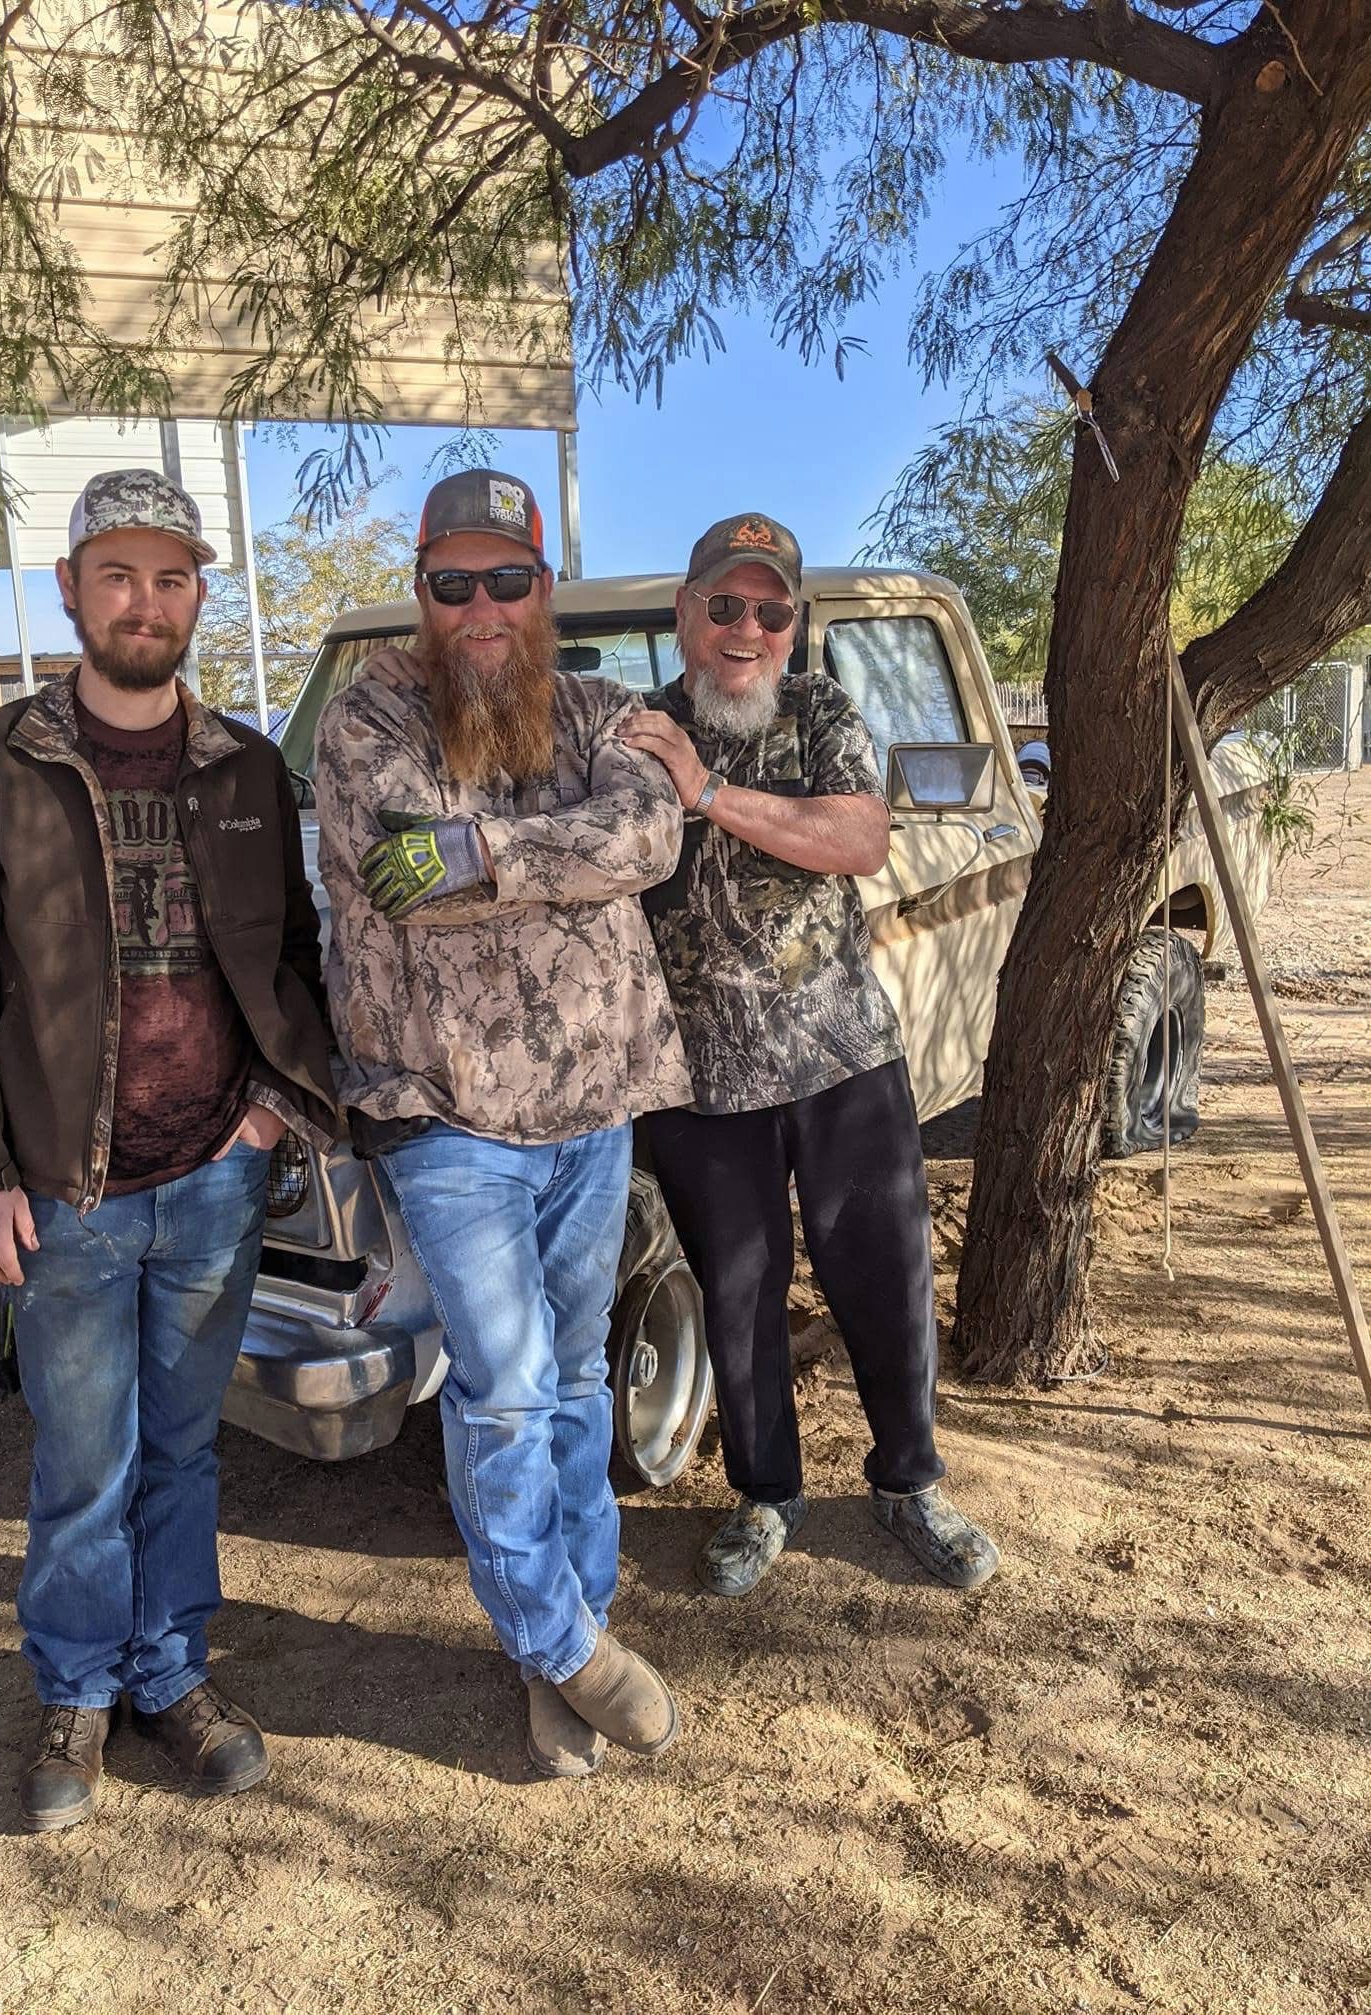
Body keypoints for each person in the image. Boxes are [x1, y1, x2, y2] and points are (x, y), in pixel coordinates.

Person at [0, 469, 339, 1831]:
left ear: (198, 593)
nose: (144, 602)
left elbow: (291, 953)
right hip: (65, 1194)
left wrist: (268, 1110)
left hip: (215, 1176)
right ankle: (78, 1688)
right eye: (117, 574)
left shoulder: (247, 768)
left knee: (184, 1450)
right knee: (82, 1457)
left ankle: (171, 1673)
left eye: (169, 577)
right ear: (70, 589)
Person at [316, 469, 691, 1778]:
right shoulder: (366, 721)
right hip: (446, 1116)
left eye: (507, 579)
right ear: (421, 592)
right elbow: (398, 878)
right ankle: (564, 1645)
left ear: (544, 589)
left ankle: (568, 1631)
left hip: (593, 1109)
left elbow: (648, 835)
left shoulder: (597, 707)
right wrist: (549, 858)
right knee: (506, 1390)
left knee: (576, 1378)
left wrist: (483, 854)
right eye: (452, 582)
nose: (480, 607)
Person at [616, 512, 1000, 1599]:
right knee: (737, 1294)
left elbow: (858, 838)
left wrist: (706, 792)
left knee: (882, 1278)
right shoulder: (635, 733)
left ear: (792, 626)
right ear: (685, 612)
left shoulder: (820, 710)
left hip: (840, 1058)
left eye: (770, 610)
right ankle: (763, 1494)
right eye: (724, 604)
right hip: (699, 1080)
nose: (747, 628)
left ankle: (908, 1482)